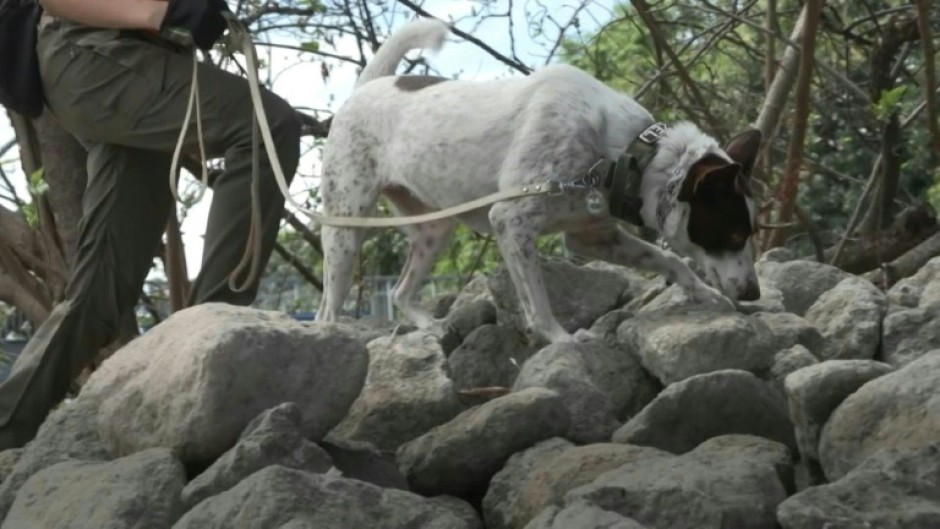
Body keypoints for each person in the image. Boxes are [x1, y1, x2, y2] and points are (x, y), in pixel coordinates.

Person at [0, 0, 301, 448]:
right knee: (266, 126)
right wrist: (162, 11)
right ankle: (211, 334)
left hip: (115, 62)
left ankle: (6, 428)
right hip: (94, 56)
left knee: (100, 294)